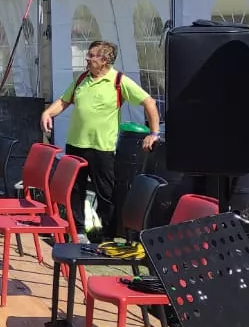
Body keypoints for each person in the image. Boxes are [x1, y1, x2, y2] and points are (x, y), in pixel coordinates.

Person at [39, 40, 160, 235]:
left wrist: (153, 133)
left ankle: (106, 236)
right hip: (75, 144)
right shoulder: (81, 79)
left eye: (92, 55)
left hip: (102, 148)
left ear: (105, 60)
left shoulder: (119, 81)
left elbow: (149, 102)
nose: (87, 59)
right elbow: (64, 101)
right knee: (74, 191)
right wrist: (47, 113)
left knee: (105, 194)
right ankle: (76, 230)